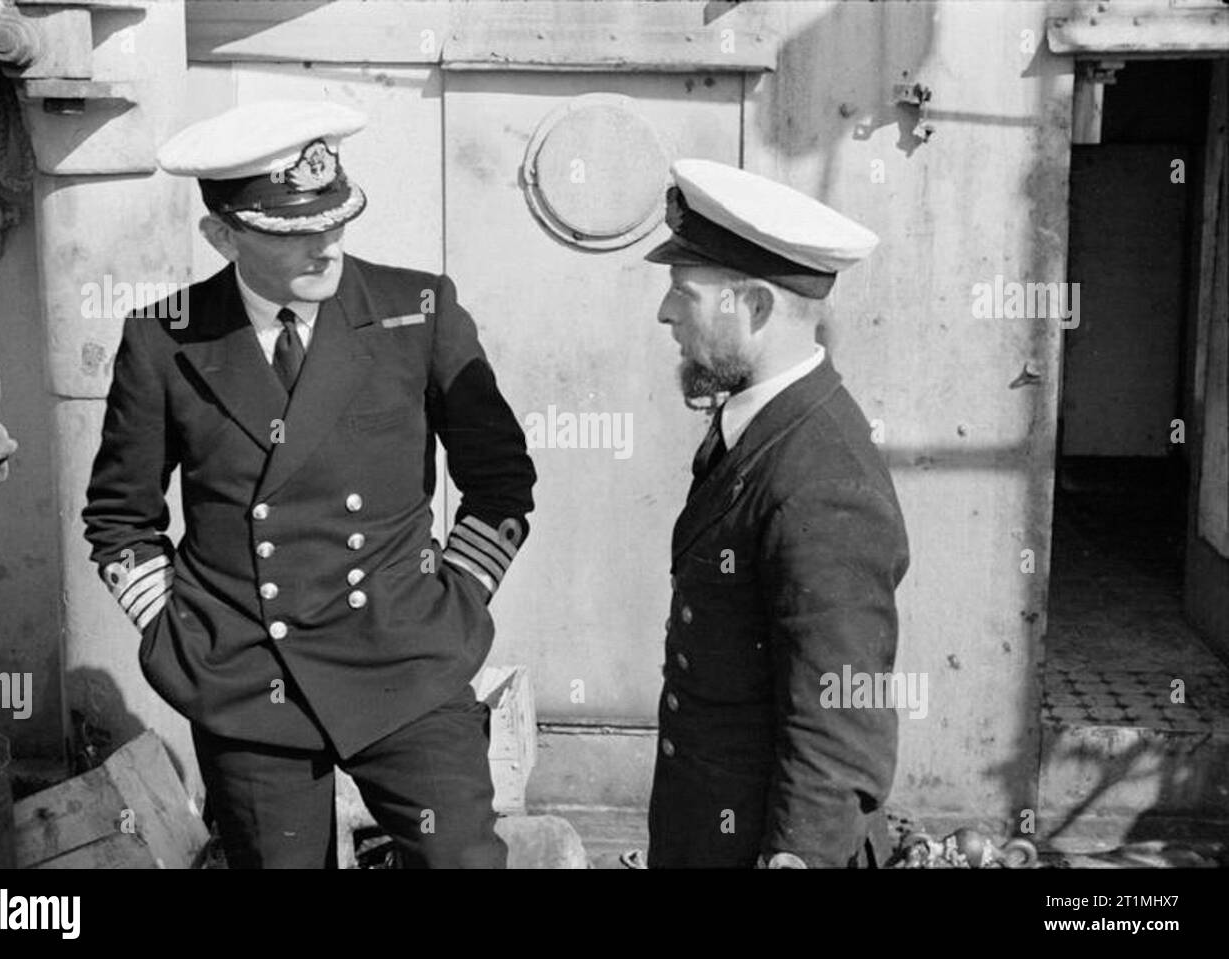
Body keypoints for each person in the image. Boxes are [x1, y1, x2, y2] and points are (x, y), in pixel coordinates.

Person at [82, 100, 536, 868]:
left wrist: (452, 598)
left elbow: (501, 483)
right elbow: (119, 518)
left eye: (336, 219)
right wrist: (176, 630)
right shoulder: (164, 337)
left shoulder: (416, 311)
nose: (325, 245)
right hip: (249, 677)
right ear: (222, 235)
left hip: (404, 663)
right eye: (292, 231)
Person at [644, 159, 910, 868]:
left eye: (684, 293)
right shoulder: (763, 424)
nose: (666, 313)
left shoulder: (822, 481)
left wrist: (797, 859)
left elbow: (838, 721)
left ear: (754, 308)